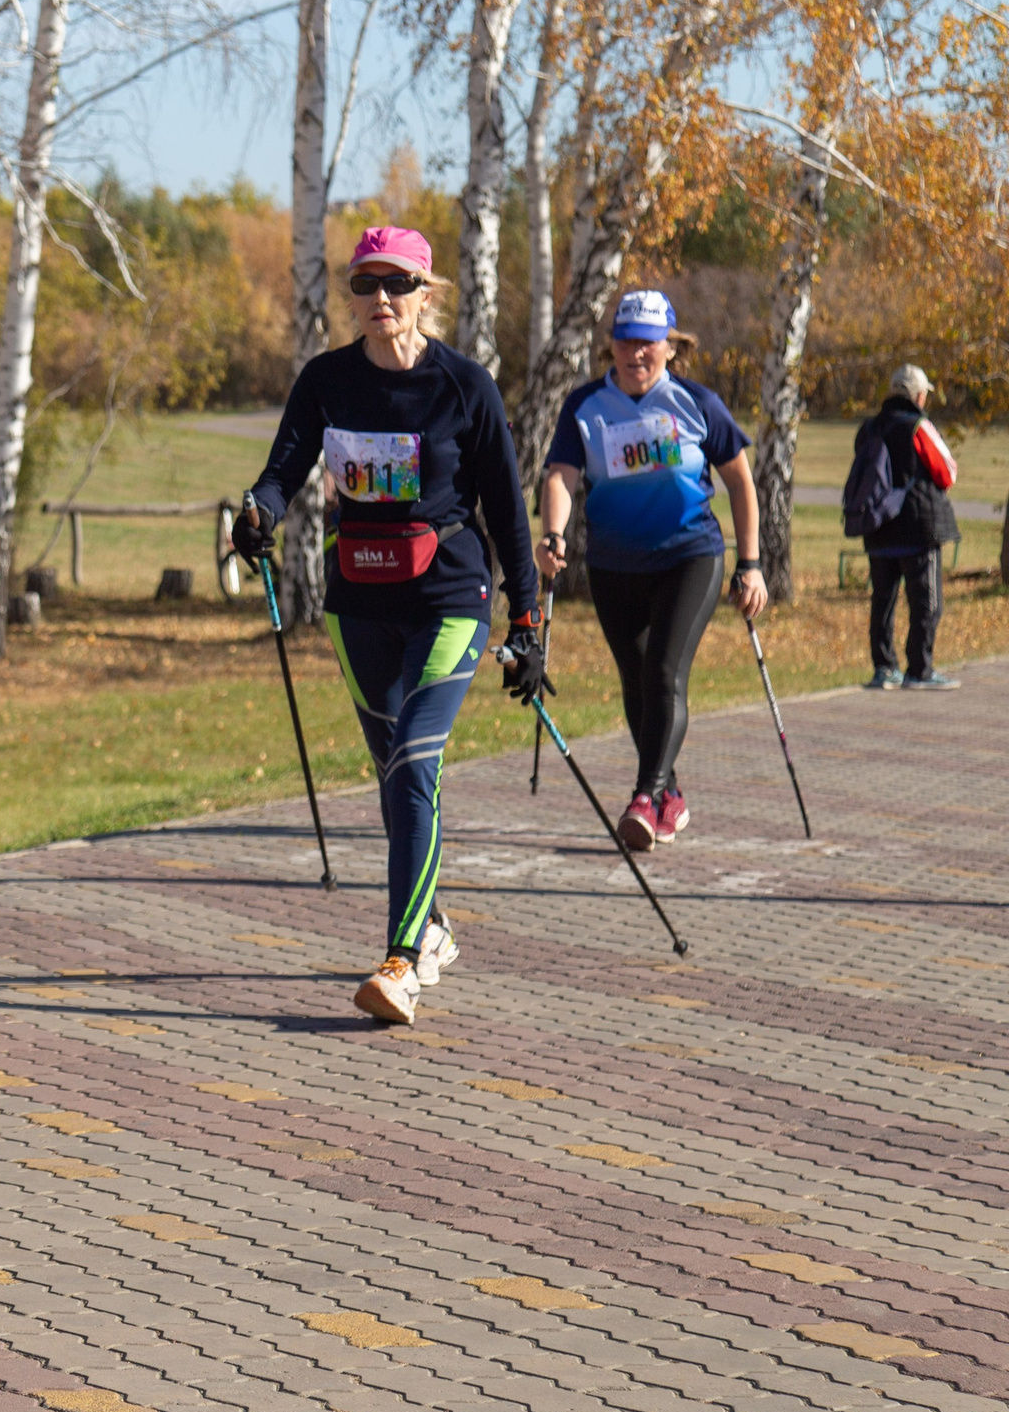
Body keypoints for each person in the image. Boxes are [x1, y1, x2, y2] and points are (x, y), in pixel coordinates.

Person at [234, 226, 542, 1028]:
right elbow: (282, 471)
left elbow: (509, 513)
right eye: (367, 284)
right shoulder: (327, 380)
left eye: (398, 285)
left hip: (450, 598)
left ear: (426, 294)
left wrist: (530, 619)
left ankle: (401, 961)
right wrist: (257, 513)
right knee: (395, 776)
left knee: (414, 762)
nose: (382, 300)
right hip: (358, 607)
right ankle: (434, 925)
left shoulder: (464, 387)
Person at [535, 290, 766, 850]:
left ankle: (644, 797)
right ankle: (670, 795)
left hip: (690, 555)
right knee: (637, 684)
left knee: (664, 672)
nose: (636, 352)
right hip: (614, 565)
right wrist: (553, 535)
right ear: (610, 344)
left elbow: (740, 480)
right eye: (625, 340)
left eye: (648, 342)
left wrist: (751, 563)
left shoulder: (696, 401)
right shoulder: (585, 405)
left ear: (669, 346)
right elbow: (561, 475)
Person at [848, 363, 960, 690]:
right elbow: (947, 473)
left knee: (882, 600)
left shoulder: (869, 429)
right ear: (918, 395)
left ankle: (884, 668)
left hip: (877, 526)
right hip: (918, 528)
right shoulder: (918, 426)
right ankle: (919, 670)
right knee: (926, 602)